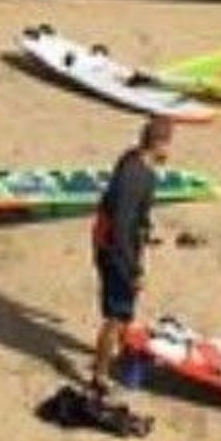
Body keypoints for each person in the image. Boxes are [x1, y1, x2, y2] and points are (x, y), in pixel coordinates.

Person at [89, 116, 175, 399]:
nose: (170, 151)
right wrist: (134, 270)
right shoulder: (137, 177)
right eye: (169, 144)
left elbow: (128, 216)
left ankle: (120, 356)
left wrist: (145, 232)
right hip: (115, 249)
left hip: (114, 242)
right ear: (159, 143)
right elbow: (122, 227)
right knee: (115, 315)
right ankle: (100, 376)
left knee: (125, 310)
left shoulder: (133, 159)